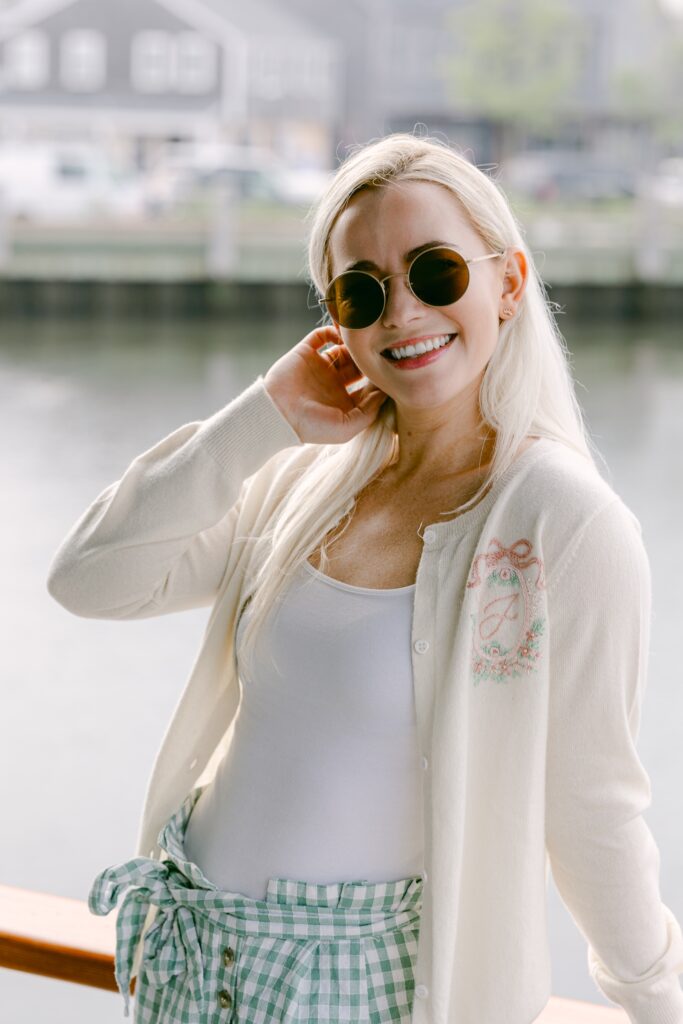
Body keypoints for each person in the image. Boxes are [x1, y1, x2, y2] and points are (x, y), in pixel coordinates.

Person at [46, 133, 683, 1024]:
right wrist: (261, 417)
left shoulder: (563, 527)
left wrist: (657, 1001)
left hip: (364, 990)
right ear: (335, 320)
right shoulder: (302, 475)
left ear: (507, 282)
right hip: (195, 959)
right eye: (363, 291)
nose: (403, 313)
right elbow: (88, 578)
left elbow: (591, 809)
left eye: (434, 272)